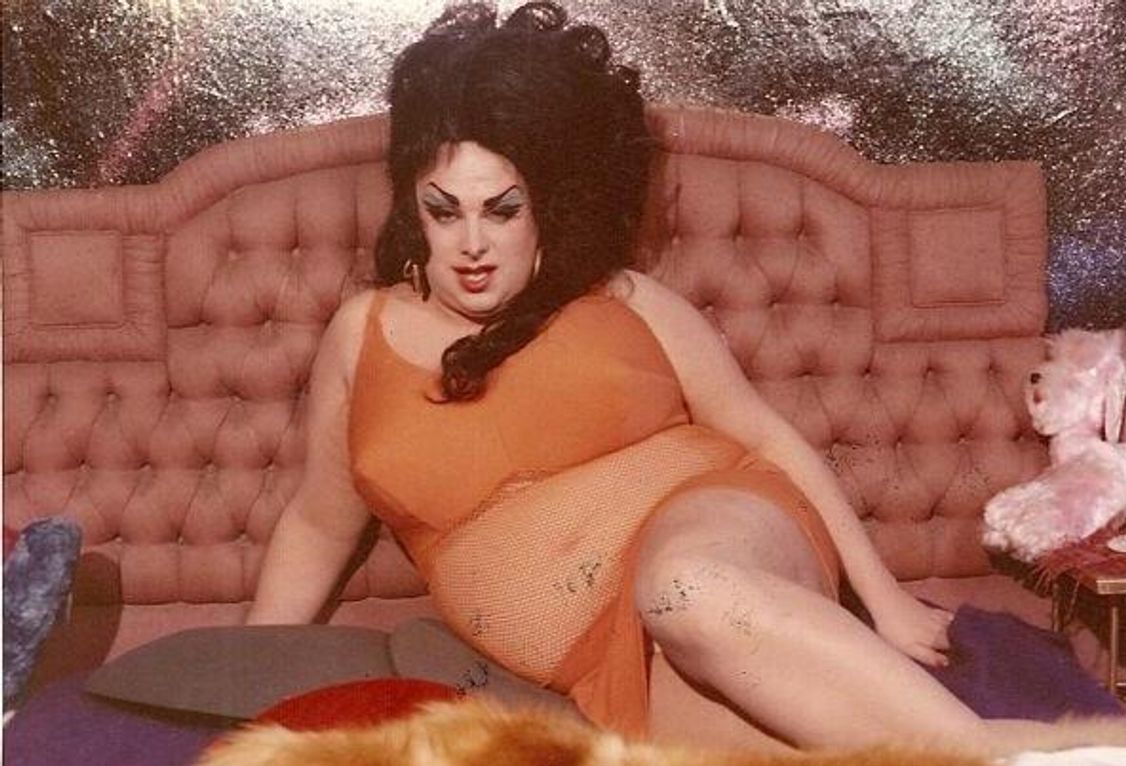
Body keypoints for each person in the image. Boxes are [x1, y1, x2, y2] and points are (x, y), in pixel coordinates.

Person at [246, 1, 994, 748]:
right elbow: (317, 524)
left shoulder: (622, 300)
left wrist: (886, 601)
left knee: (683, 590)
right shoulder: (362, 334)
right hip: (612, 667)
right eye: (445, 213)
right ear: (414, 211)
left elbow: (766, 438)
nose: (473, 243)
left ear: (547, 206)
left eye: (502, 211)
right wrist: (243, 668)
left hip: (716, 544)